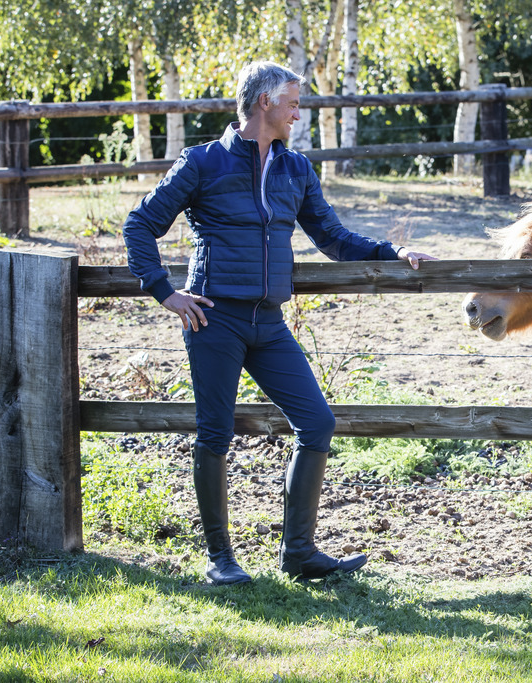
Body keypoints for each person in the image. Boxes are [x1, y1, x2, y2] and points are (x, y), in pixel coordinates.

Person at [123, 61, 436, 585]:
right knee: (215, 433)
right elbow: (140, 225)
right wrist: (166, 293)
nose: (299, 110)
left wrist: (393, 249)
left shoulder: (297, 169)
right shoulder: (202, 163)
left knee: (317, 423)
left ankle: (298, 554)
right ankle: (220, 559)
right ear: (264, 102)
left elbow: (334, 238)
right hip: (213, 320)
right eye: (292, 101)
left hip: (269, 322)